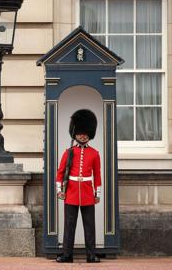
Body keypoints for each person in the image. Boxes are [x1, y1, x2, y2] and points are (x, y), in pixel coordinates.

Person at [55, 109, 101, 263]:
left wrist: (97, 193)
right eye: (80, 132)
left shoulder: (94, 153)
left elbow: (97, 174)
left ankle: (91, 255)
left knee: (89, 226)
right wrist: (59, 190)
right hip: (71, 192)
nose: (83, 135)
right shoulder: (69, 152)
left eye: (85, 132)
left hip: (87, 192)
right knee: (69, 225)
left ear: (90, 134)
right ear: (75, 133)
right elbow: (60, 173)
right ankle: (67, 254)